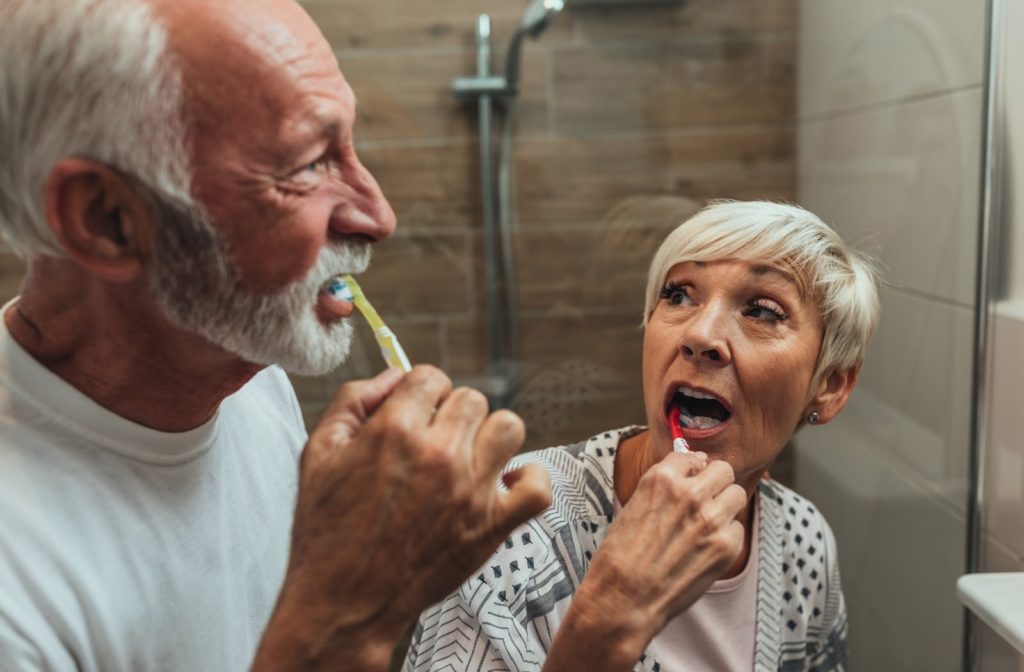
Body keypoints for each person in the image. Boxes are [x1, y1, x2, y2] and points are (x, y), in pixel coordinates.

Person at [0, 1, 748, 670]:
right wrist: (354, 611)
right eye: (306, 164)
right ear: (107, 219)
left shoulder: (249, 375)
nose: (376, 215)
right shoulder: (18, 601)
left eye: (352, 147)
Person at [405, 200, 881, 672]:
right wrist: (611, 614)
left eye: (761, 310)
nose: (700, 334)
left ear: (830, 385)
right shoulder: (508, 521)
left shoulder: (803, 541)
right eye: (678, 295)